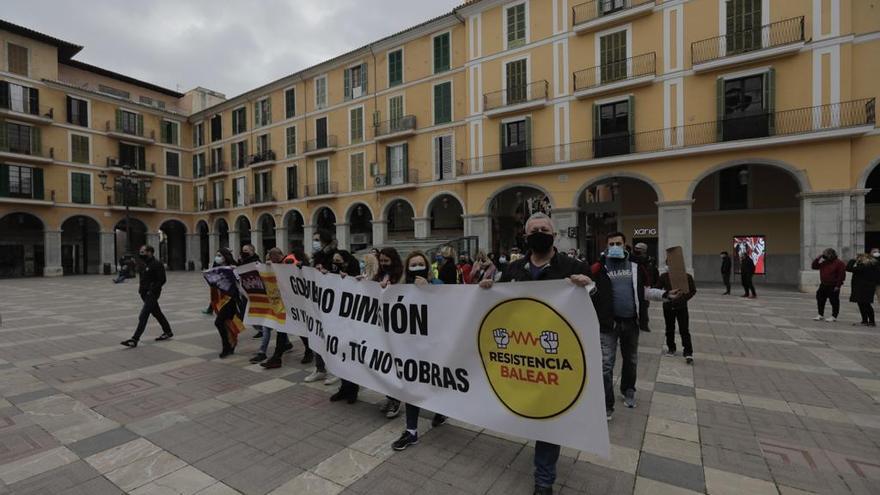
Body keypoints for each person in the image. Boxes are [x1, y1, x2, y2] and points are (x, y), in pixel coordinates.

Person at [477, 213, 600, 495]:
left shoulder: (573, 266)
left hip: (557, 356)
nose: (539, 233)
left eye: (544, 229)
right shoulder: (514, 269)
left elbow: (595, 301)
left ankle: (544, 481)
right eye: (534, 230)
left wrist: (588, 287)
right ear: (525, 235)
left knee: (549, 417)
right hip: (521, 353)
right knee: (528, 410)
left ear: (554, 235)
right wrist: (487, 290)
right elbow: (502, 305)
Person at [592, 232, 679, 416]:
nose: (615, 246)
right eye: (611, 244)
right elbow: (588, 290)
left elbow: (644, 292)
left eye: (618, 243)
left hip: (631, 323)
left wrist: (665, 295)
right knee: (606, 365)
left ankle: (628, 390)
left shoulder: (636, 266)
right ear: (607, 246)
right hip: (609, 325)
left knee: (631, 360)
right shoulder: (598, 268)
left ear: (625, 245)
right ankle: (607, 404)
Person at [391, 251, 447, 451]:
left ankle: (441, 409)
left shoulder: (438, 284)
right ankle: (411, 431)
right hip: (411, 348)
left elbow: (451, 307)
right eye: (412, 265)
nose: (416, 267)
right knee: (412, 386)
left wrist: (429, 291)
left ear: (427, 266)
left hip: (433, 347)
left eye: (420, 264)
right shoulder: (401, 288)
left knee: (435, 382)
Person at [328, 249, 363, 403]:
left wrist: (347, 279)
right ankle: (343, 388)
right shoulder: (334, 273)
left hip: (352, 323)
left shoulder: (356, 276)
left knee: (351, 358)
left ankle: (353, 390)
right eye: (334, 262)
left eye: (339, 261)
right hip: (337, 321)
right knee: (340, 355)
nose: (336, 264)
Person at [121, 245, 173, 347]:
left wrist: (152, 290)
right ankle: (168, 331)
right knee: (157, 313)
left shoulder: (157, 264)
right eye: (140, 252)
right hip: (144, 293)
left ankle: (134, 339)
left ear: (150, 252)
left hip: (152, 294)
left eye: (143, 252)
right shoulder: (143, 264)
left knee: (143, 315)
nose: (141, 254)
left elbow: (162, 280)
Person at [375, 247, 405, 419]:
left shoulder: (400, 276)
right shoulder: (380, 275)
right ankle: (389, 397)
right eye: (382, 261)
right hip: (382, 327)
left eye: (387, 261)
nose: (384, 264)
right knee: (385, 365)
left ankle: (396, 400)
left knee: (395, 366)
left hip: (397, 327)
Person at [304, 230, 337, 384]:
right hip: (316, 302)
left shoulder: (336, 255)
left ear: (325, 240)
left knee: (333, 339)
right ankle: (320, 369)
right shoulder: (315, 257)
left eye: (317, 239)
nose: (315, 242)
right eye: (314, 239)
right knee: (316, 334)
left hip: (332, 304)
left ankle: (338, 370)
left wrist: (327, 273)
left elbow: (340, 276)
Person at [257, 248, 294, 369]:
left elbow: (290, 273)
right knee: (281, 329)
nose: (270, 261)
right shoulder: (278, 262)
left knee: (299, 330)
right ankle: (277, 357)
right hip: (282, 304)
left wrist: (273, 266)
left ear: (277, 256)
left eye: (271, 259)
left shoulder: (289, 260)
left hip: (291, 304)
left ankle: (278, 356)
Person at [657, 260, 697, 364]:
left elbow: (692, 290)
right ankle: (671, 348)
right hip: (668, 306)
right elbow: (657, 289)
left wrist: (683, 299)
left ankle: (688, 352)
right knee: (669, 328)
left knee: (684, 329)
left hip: (681, 307)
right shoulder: (664, 276)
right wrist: (666, 295)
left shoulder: (687, 276)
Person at [206, 248, 242, 358]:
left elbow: (240, 281)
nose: (217, 257)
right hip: (221, 299)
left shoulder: (233, 267)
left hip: (230, 300)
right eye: (217, 255)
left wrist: (235, 271)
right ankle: (231, 344)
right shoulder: (217, 268)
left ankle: (226, 347)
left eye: (220, 255)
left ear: (226, 256)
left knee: (219, 322)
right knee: (227, 322)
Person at [238, 244, 265, 341]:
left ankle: (263, 330)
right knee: (247, 312)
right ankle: (261, 330)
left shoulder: (256, 261)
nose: (244, 252)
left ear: (252, 251)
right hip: (246, 291)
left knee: (255, 312)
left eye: (246, 250)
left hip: (255, 291)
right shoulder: (242, 261)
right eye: (243, 250)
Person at [630, 243, 659, 332]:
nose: (636, 250)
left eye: (639, 249)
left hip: (645, 287)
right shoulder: (632, 259)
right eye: (636, 248)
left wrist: (654, 285)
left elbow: (654, 273)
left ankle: (644, 324)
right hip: (635, 286)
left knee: (644, 306)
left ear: (644, 250)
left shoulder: (649, 261)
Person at [812, 248, 846, 322]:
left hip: (833, 285)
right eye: (823, 254)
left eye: (825, 254)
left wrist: (838, 286)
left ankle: (834, 316)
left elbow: (841, 275)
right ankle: (820, 315)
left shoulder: (839, 263)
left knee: (834, 301)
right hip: (823, 284)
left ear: (831, 254)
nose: (824, 255)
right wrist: (818, 258)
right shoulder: (825, 262)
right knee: (820, 299)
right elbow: (814, 266)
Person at [846, 252, 879, 327]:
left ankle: (871, 321)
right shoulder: (869, 265)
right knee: (862, 304)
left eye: (859, 257)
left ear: (864, 258)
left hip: (865, 288)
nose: (858, 259)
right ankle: (865, 321)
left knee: (866, 304)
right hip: (862, 287)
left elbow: (849, 268)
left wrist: (853, 260)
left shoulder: (866, 265)